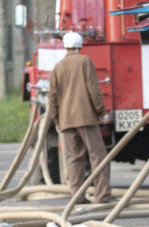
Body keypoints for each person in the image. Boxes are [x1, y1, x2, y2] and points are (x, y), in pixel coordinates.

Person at [47, 31, 110, 203]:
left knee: (74, 158)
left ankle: (77, 197)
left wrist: (57, 120)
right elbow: (94, 89)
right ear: (80, 45)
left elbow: (52, 97)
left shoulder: (58, 67)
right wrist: (101, 112)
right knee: (98, 155)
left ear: (65, 46)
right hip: (86, 118)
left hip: (66, 120)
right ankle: (102, 195)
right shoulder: (84, 61)